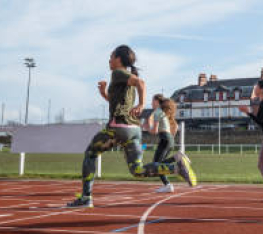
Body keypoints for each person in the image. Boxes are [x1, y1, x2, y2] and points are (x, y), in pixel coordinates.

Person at [67, 45, 196, 208]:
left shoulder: (118, 72)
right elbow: (119, 101)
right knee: (138, 170)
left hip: (118, 127)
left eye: (111, 56)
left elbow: (141, 83)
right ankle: (175, 167)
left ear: (119, 59)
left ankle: (86, 198)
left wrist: (142, 104)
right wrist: (104, 94)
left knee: (91, 153)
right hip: (134, 130)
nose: (109, 60)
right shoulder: (127, 76)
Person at [145, 94, 179, 193]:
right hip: (169, 140)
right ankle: (176, 158)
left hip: (165, 139)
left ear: (156, 102)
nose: (151, 103)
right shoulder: (163, 113)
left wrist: (146, 128)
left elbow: (155, 131)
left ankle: (168, 183)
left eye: (152, 101)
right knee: (159, 164)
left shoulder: (157, 112)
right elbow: (175, 127)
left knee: (156, 165)